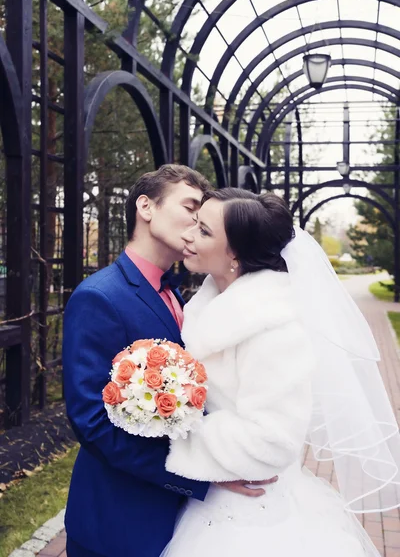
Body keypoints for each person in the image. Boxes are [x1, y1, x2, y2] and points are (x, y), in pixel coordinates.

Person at [162, 187, 400, 557]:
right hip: (214, 494)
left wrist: (174, 438)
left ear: (235, 254)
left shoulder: (273, 328)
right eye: (194, 223)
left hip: (248, 515)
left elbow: (272, 439)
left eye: (205, 231)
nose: (189, 236)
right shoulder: (211, 301)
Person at [62, 166, 274, 557]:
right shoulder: (99, 296)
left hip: (184, 523)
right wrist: (198, 476)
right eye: (191, 207)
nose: (198, 222)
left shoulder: (185, 295)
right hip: (119, 520)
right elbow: (92, 423)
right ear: (146, 206)